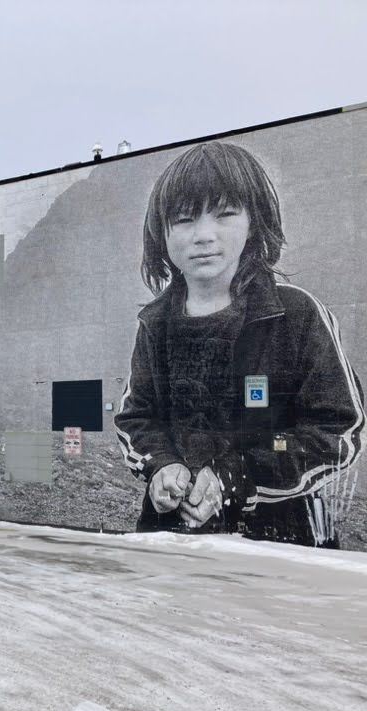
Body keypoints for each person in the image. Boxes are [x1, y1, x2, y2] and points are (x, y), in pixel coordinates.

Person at [115, 142, 364, 546]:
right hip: (168, 542)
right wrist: (161, 465)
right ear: (161, 233)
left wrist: (238, 475)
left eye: (226, 214)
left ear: (254, 221)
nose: (204, 235)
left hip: (281, 547)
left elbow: (337, 431)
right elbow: (136, 420)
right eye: (184, 219)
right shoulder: (154, 324)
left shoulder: (296, 315)